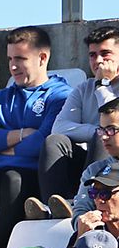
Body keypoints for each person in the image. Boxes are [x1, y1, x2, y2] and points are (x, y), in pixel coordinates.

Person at [0, 25, 71, 248]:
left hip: (32, 178)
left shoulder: (60, 95)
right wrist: (21, 135)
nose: (13, 66)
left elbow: (42, 143)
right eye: (10, 58)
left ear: (42, 58)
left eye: (21, 59)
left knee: (13, 180)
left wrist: (0, 146)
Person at [38, 25, 119, 205]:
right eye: (92, 55)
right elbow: (59, 127)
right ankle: (54, 206)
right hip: (89, 164)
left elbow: (114, 122)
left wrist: (103, 87)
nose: (98, 60)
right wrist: (95, 131)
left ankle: (94, 204)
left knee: (104, 136)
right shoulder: (83, 89)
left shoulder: (98, 86)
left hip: (116, 166)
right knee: (54, 142)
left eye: (105, 54)